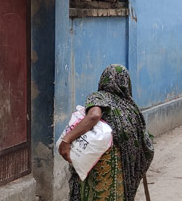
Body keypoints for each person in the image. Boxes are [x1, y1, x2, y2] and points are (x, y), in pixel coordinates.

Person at [58, 64, 154, 201]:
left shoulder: (99, 97)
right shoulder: (131, 107)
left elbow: (94, 115)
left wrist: (67, 139)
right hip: (122, 164)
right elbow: (145, 143)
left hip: (101, 160)